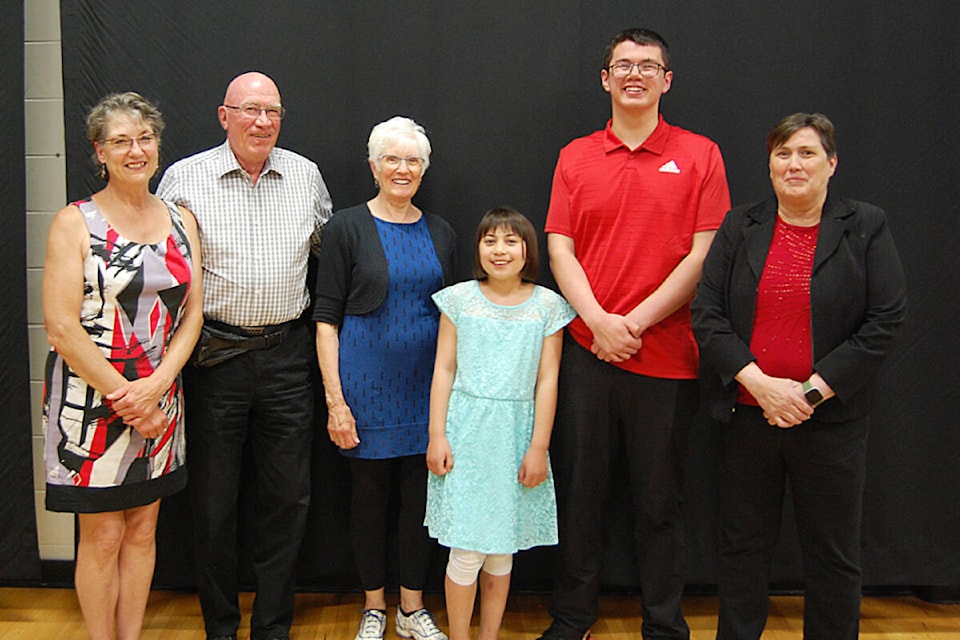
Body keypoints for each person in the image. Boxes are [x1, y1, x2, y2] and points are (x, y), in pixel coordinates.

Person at [541, 27, 732, 640]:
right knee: (582, 496)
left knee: (660, 503)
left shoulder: (701, 154)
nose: (635, 74)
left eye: (648, 66)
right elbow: (559, 247)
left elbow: (706, 253)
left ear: (666, 80)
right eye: (623, 64)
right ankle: (573, 619)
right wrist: (597, 321)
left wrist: (637, 322)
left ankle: (663, 623)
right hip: (587, 354)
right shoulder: (575, 155)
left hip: (669, 356)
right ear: (604, 78)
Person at [691, 112, 907, 639]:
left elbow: (885, 321)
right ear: (769, 165)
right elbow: (707, 315)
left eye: (807, 153)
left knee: (832, 553)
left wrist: (808, 393)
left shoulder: (865, 224)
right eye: (783, 154)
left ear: (831, 164)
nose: (794, 164)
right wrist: (761, 386)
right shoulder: (740, 225)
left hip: (831, 421)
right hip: (748, 416)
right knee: (742, 546)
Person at [156, 71, 333, 640]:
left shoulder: (305, 175)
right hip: (213, 359)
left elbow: (327, 260)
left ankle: (273, 627)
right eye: (251, 110)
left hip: (288, 357)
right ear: (223, 115)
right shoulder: (185, 179)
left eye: (273, 111)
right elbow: (161, 272)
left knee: (287, 499)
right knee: (212, 505)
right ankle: (221, 628)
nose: (263, 122)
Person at [42, 92, 203, 640]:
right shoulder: (74, 222)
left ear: (157, 145)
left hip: (161, 400)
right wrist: (127, 397)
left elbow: (193, 314)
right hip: (93, 404)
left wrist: (156, 386)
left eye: (144, 138)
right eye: (120, 141)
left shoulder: (182, 220)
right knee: (103, 536)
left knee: (142, 530)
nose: (135, 150)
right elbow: (61, 327)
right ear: (100, 152)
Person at [313, 116, 455, 640]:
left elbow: (449, 318)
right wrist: (336, 402)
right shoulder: (346, 228)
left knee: (420, 504)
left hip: (426, 392)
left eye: (412, 160)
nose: (402, 168)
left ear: (424, 169)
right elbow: (326, 320)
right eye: (392, 159)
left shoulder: (440, 230)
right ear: (373, 166)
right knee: (369, 504)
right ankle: (374, 606)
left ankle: (412, 608)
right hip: (364, 390)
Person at [426, 207, 576, 640]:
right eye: (490, 240)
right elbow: (444, 370)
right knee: (466, 550)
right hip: (466, 432)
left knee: (501, 552)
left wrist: (538, 446)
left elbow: (548, 380)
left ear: (528, 250)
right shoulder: (459, 300)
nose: (500, 250)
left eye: (511, 241)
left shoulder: (547, 306)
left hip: (516, 434)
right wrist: (437, 435)